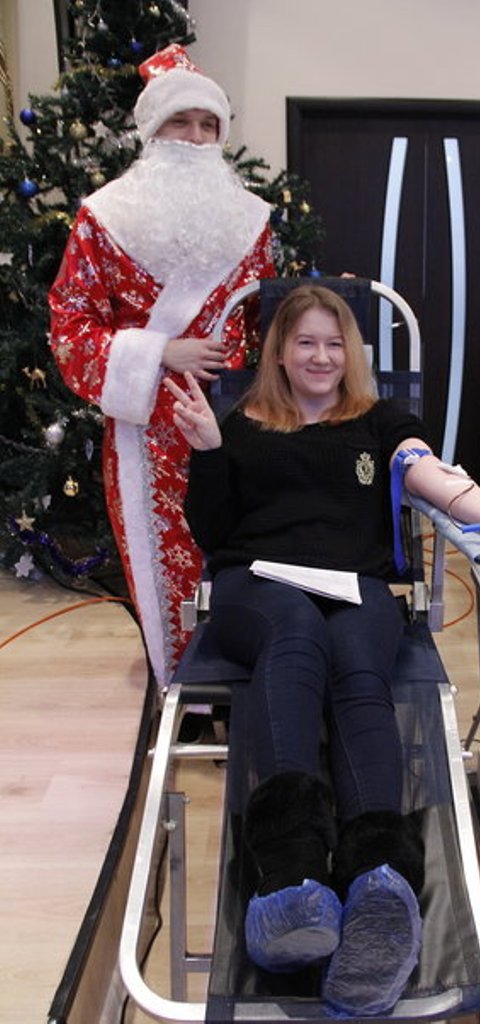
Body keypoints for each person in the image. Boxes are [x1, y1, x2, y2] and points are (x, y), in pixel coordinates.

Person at [165, 283, 480, 1016]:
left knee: (359, 664)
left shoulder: (380, 421)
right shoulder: (240, 423)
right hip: (256, 585)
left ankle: (380, 889)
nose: (321, 357)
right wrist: (207, 452)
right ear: (280, 352)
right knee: (294, 636)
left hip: (357, 587)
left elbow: (435, 479)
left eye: (335, 343)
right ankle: (291, 877)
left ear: (351, 353)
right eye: (305, 342)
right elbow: (213, 530)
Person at [48, 44, 275, 687]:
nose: (196, 139)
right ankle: (182, 688)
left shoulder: (251, 221)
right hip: (147, 431)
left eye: (208, 125)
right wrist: (160, 352)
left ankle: (248, 679)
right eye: (181, 122)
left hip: (237, 423)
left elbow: (267, 321)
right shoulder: (103, 218)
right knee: (163, 563)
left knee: (240, 552)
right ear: (152, 129)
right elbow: (70, 327)